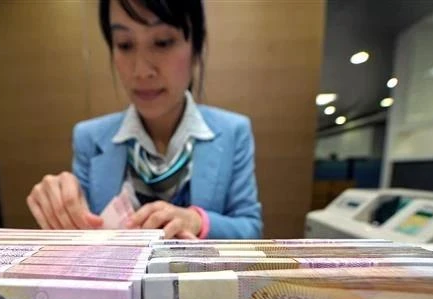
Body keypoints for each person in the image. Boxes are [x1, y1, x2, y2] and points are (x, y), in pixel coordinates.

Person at [26, 0, 263, 239]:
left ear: (195, 46)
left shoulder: (233, 131)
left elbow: (250, 228)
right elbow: (79, 237)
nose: (141, 70)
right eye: (125, 44)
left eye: (162, 42)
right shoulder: (89, 138)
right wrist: (59, 206)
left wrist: (197, 221)